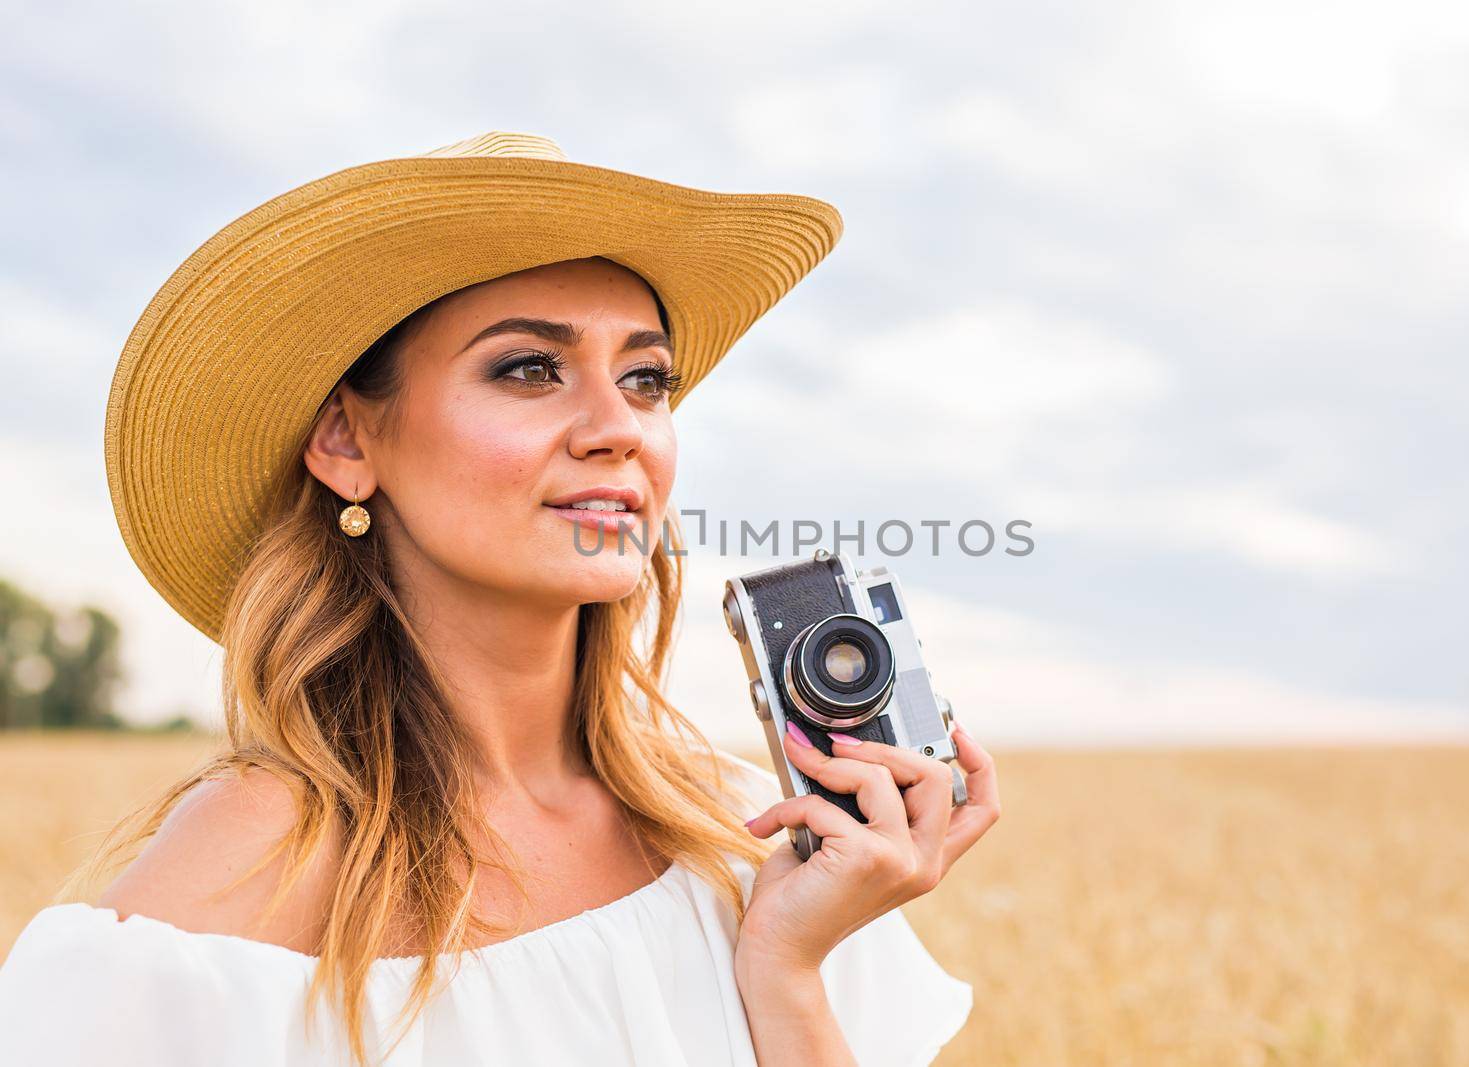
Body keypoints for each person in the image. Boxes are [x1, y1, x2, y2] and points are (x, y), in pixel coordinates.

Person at [0, 131, 1000, 1066]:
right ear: (347, 441)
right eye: (530, 368)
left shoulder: (746, 833)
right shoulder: (237, 877)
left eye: (646, 377)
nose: (621, 427)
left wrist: (785, 971)